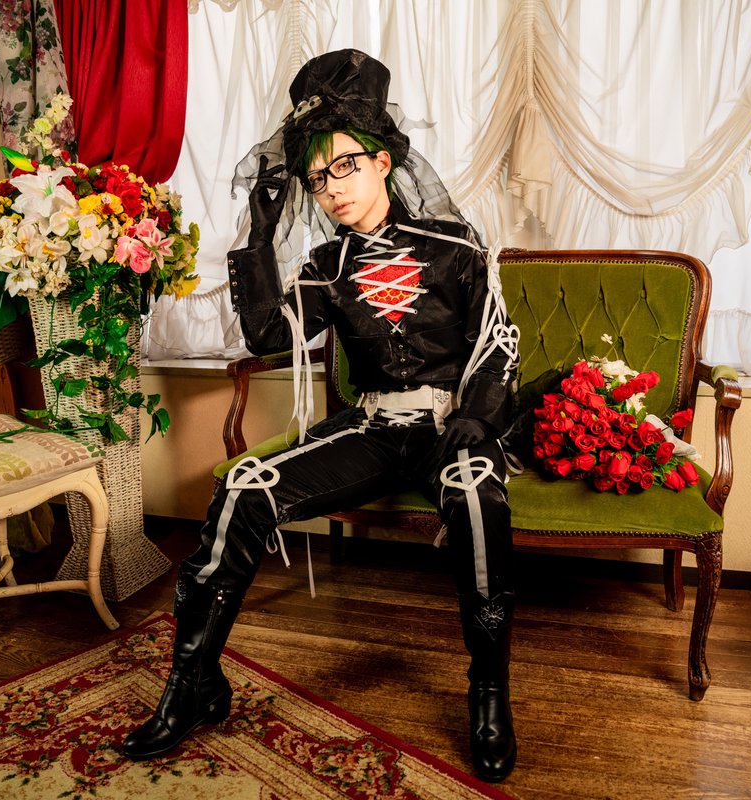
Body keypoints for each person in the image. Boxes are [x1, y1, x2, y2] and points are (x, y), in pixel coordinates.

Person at [121, 49, 521, 783]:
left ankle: (489, 692)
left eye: (343, 167)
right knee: (243, 487)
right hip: (371, 430)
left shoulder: (455, 246)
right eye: (316, 177)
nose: (330, 188)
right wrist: (257, 233)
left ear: (382, 162)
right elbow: (268, 336)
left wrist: (480, 417)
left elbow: (498, 343)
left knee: (474, 494)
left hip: (450, 428)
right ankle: (193, 681)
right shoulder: (326, 267)